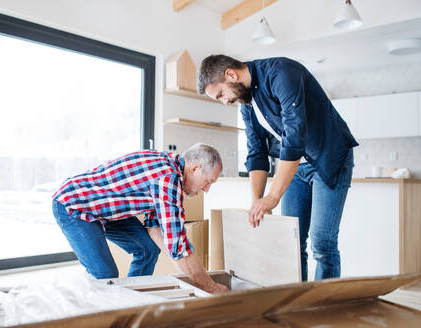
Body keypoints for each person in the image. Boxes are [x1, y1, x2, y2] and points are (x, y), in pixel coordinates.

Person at [198, 55, 358, 281]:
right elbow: (257, 153)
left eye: (221, 94)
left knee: (322, 242)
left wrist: (273, 196)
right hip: (296, 168)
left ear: (231, 75)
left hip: (329, 157)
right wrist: (258, 201)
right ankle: (298, 302)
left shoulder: (281, 73)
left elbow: (294, 138)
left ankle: (324, 305)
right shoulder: (247, 104)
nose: (225, 101)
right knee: (293, 242)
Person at [52, 143, 229, 293]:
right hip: (74, 204)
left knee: (148, 249)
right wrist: (210, 286)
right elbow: (178, 246)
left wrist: (184, 265)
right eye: (208, 182)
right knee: (105, 274)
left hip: (105, 210)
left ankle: (131, 302)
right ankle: (101, 317)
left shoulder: (168, 168)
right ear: (195, 168)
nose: (206, 189)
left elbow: (155, 229)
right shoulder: (167, 179)